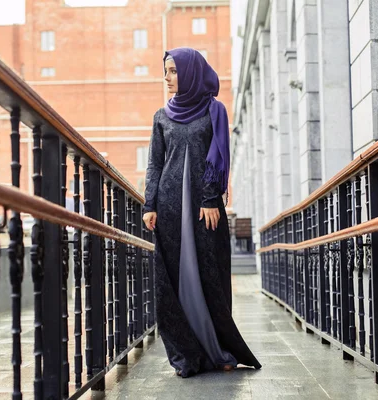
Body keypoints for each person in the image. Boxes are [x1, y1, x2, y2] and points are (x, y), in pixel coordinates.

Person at [142, 47, 262, 378]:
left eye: (173, 71)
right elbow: (155, 163)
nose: (166, 78)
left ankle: (220, 349)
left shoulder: (214, 110)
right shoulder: (161, 117)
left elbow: (219, 156)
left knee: (210, 274)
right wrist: (149, 204)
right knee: (174, 279)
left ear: (191, 72)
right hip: (168, 207)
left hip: (204, 207)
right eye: (165, 71)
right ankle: (186, 355)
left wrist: (211, 198)